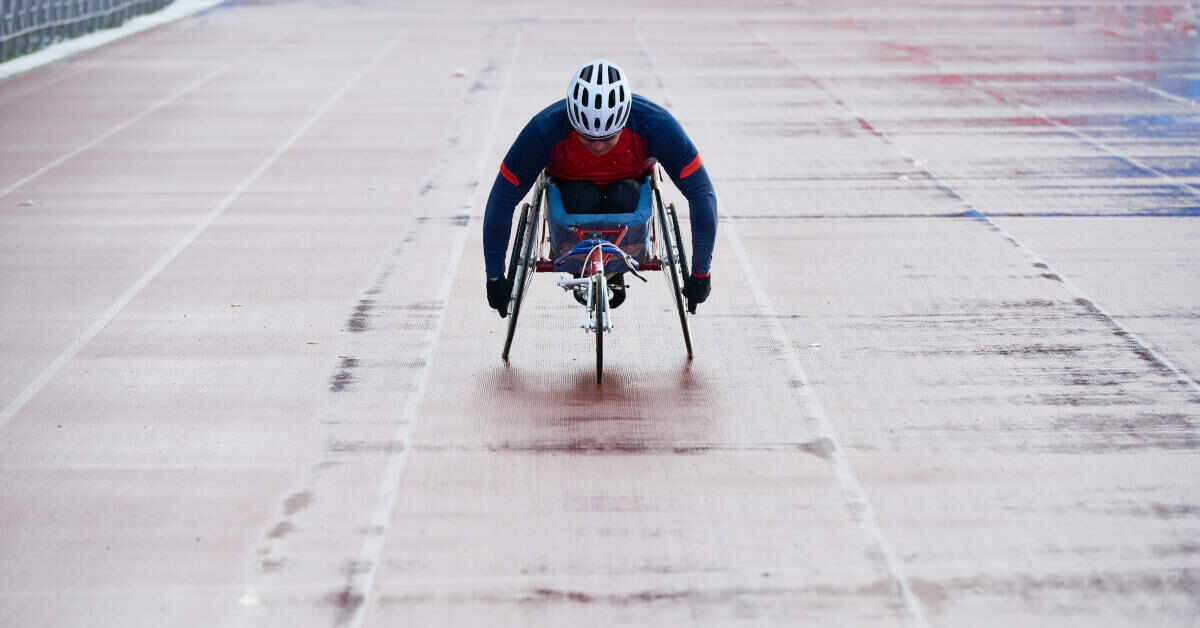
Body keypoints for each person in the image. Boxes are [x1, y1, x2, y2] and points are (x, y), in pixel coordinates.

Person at [483, 58, 716, 317]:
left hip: (627, 198)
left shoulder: (656, 124)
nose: (597, 146)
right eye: (587, 138)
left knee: (624, 194)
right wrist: (494, 277)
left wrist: (701, 274)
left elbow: (701, 193)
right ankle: (581, 261)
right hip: (572, 199)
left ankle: (616, 264)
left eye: (608, 138)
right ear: (572, 122)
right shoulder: (543, 130)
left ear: (624, 121)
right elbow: (502, 199)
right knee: (580, 196)